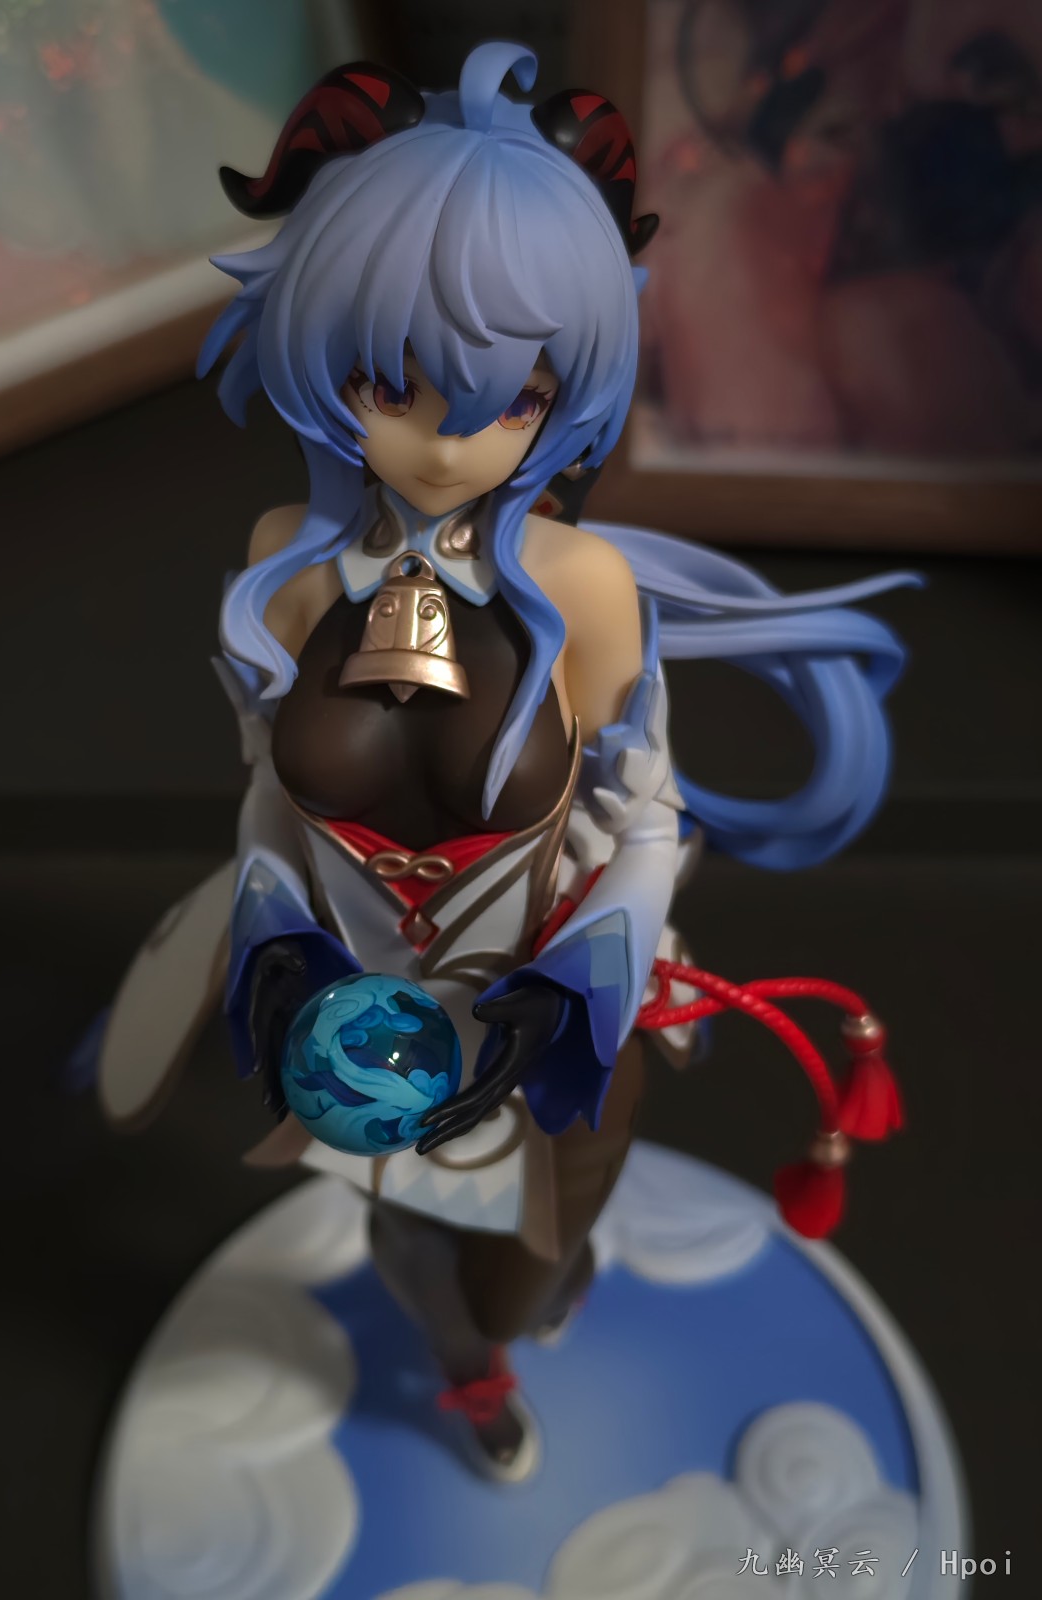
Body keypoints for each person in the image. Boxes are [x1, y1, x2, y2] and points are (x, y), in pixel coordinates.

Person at [98, 41, 915, 1482]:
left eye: (513, 398)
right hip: (352, 1022)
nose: (446, 443)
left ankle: (503, 1325)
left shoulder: (583, 588)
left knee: (535, 1268)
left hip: (545, 1017)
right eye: (389, 384)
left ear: (563, 393)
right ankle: (464, 1375)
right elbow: (273, 789)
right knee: (418, 1256)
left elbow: (643, 813)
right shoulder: (287, 573)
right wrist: (277, 939)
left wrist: (579, 980)